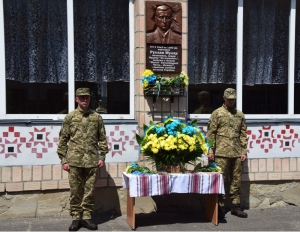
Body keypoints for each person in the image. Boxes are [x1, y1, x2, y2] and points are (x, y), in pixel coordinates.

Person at [57, 88, 109, 231]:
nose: (84, 100)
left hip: (92, 161)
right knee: (75, 191)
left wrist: (102, 156)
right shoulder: (70, 117)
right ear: (76, 99)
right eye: (81, 98)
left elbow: (102, 139)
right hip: (74, 162)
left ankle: (87, 217)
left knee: (89, 191)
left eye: (87, 97)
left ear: (90, 99)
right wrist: (64, 160)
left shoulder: (97, 117)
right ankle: (75, 218)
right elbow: (62, 140)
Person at [206, 88, 248, 219]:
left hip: (236, 153)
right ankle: (219, 207)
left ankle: (236, 207)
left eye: (233, 99)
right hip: (221, 153)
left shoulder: (239, 115)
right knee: (220, 181)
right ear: (224, 98)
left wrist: (243, 150)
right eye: (229, 99)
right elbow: (211, 133)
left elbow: (243, 134)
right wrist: (209, 150)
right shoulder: (217, 113)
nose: (231, 101)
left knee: (236, 181)